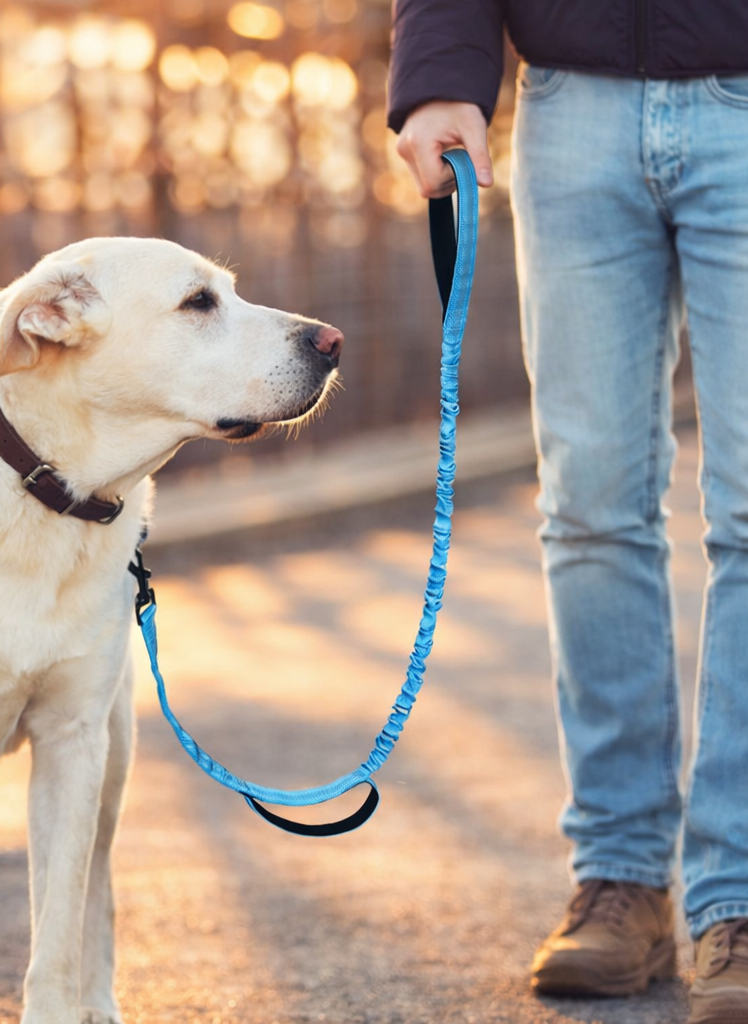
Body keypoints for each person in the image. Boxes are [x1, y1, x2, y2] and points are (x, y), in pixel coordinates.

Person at [387, 3, 748, 1022]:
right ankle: (621, 876)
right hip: (569, 107)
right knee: (589, 502)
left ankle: (740, 895)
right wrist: (438, 70)